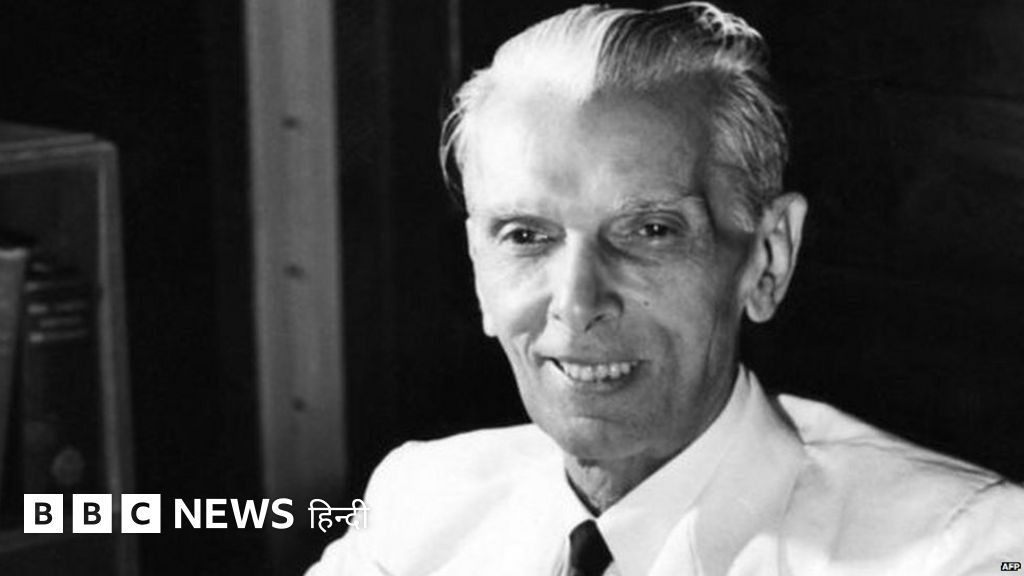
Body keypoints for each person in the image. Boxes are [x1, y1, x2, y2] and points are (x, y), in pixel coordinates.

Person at [307, 3, 1024, 574]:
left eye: (650, 230)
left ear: (767, 259)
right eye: (525, 235)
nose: (577, 304)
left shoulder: (965, 548)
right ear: (477, 268)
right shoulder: (418, 504)